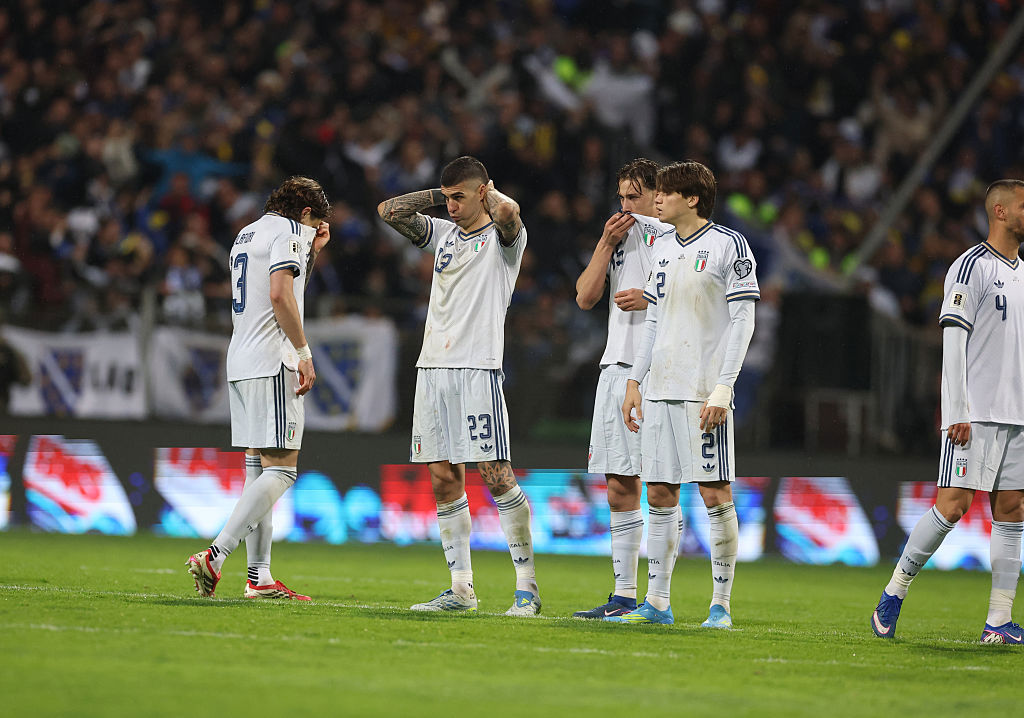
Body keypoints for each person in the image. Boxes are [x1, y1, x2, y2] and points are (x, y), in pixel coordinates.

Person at [377, 156, 540, 615]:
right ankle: (461, 589)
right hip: (432, 367)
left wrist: (487, 194)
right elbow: (390, 211)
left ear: (483, 192)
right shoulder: (445, 234)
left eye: (459, 197)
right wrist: (441, 193)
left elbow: (510, 214)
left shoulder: (505, 241)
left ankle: (526, 587)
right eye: (446, 198)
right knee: (443, 477)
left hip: (477, 368)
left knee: (494, 473)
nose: (450, 206)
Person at [871, 179, 1024, 644]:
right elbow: (953, 339)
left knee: (1014, 509)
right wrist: (955, 408)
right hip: (974, 412)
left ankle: (998, 621)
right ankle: (892, 595)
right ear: (999, 211)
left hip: (1017, 414)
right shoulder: (970, 267)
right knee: (952, 506)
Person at [612, 160, 759, 626]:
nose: (657, 199)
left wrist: (723, 388)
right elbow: (652, 323)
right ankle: (657, 603)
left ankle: (721, 606)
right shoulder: (663, 251)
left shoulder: (728, 246)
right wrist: (636, 381)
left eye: (665, 193)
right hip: (660, 390)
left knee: (715, 495)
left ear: (692, 198)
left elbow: (743, 321)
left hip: (703, 394)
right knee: (658, 493)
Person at [186, 176, 331, 600]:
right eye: (315, 224)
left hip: (241, 360)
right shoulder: (289, 232)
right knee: (282, 469)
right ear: (305, 213)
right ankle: (216, 554)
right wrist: (303, 352)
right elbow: (281, 295)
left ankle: (260, 577)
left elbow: (287, 282)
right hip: (273, 361)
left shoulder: (246, 233)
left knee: (259, 469)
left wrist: (313, 250)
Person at [572, 158, 675, 619]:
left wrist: (651, 297)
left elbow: (698, 298)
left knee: (659, 485)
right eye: (622, 197)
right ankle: (623, 595)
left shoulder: (675, 238)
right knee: (618, 484)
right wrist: (604, 242)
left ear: (658, 196)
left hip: (659, 369)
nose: (626, 205)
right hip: (615, 366)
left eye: (635, 196)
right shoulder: (618, 238)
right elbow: (585, 297)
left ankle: (658, 599)